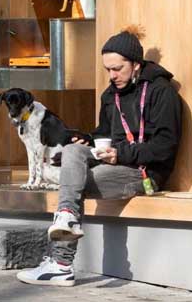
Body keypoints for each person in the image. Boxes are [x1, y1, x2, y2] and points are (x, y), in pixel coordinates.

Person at [17, 25, 182, 287]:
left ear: (136, 65)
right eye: (108, 69)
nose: (112, 75)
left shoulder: (161, 91)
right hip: (112, 164)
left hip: (144, 173)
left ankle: (60, 263)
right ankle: (67, 217)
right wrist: (89, 140)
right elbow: (104, 133)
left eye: (118, 69)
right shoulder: (110, 96)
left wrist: (121, 153)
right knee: (72, 150)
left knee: (74, 181)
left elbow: (165, 146)